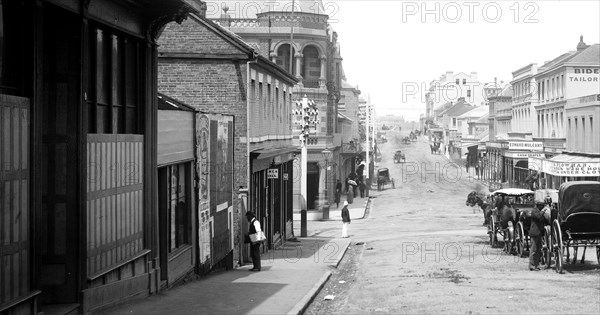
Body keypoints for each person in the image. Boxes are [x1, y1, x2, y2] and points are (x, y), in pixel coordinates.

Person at [527, 204, 547, 271]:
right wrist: (543, 212)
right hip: (534, 232)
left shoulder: (538, 211)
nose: (543, 207)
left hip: (539, 233)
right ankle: (531, 265)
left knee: (538, 249)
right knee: (533, 249)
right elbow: (539, 217)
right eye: (542, 205)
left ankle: (537, 265)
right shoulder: (534, 211)